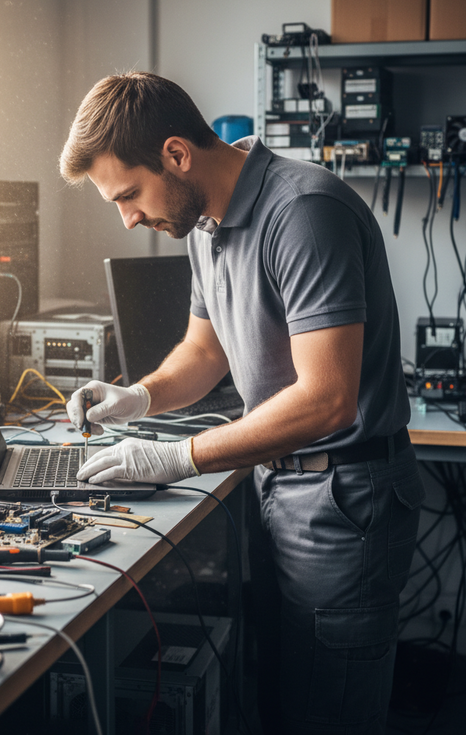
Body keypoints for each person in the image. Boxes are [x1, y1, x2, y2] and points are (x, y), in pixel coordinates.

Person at [60, 71, 424, 735]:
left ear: (176, 154)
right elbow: (203, 353)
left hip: (344, 498)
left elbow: (327, 400)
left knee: (328, 716)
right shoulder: (204, 221)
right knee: (283, 700)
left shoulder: (305, 212)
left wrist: (177, 456)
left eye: (130, 194)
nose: (130, 217)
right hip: (281, 488)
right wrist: (137, 397)